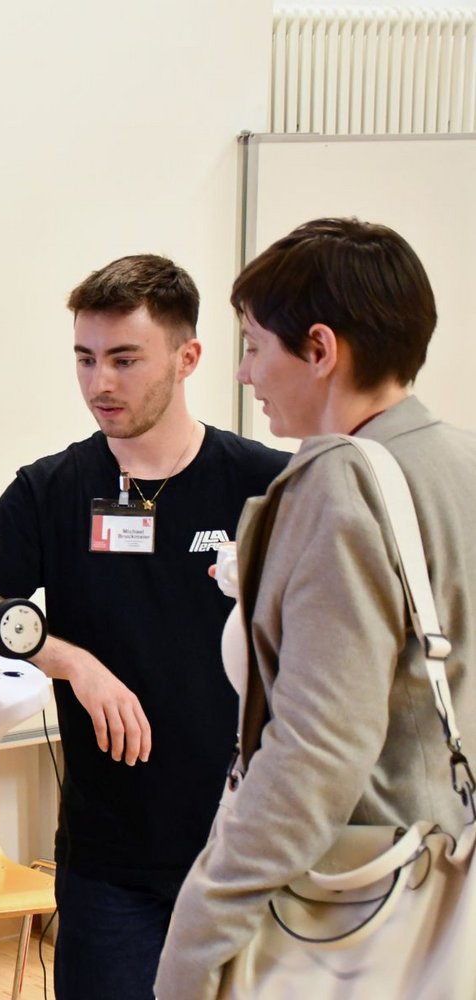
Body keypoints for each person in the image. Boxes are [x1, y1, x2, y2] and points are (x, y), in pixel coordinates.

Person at [155, 218, 476, 998]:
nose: (244, 373)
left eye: (254, 346)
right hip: (449, 884)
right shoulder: (457, 458)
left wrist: (196, 941)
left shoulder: (339, 482)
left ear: (322, 349)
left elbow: (314, 754)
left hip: (356, 910)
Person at [0, 255, 289, 998]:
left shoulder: (267, 484)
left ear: (188, 358)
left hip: (247, 853)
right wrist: (70, 661)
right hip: (110, 865)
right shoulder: (50, 490)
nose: (99, 384)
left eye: (124, 359)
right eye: (85, 359)